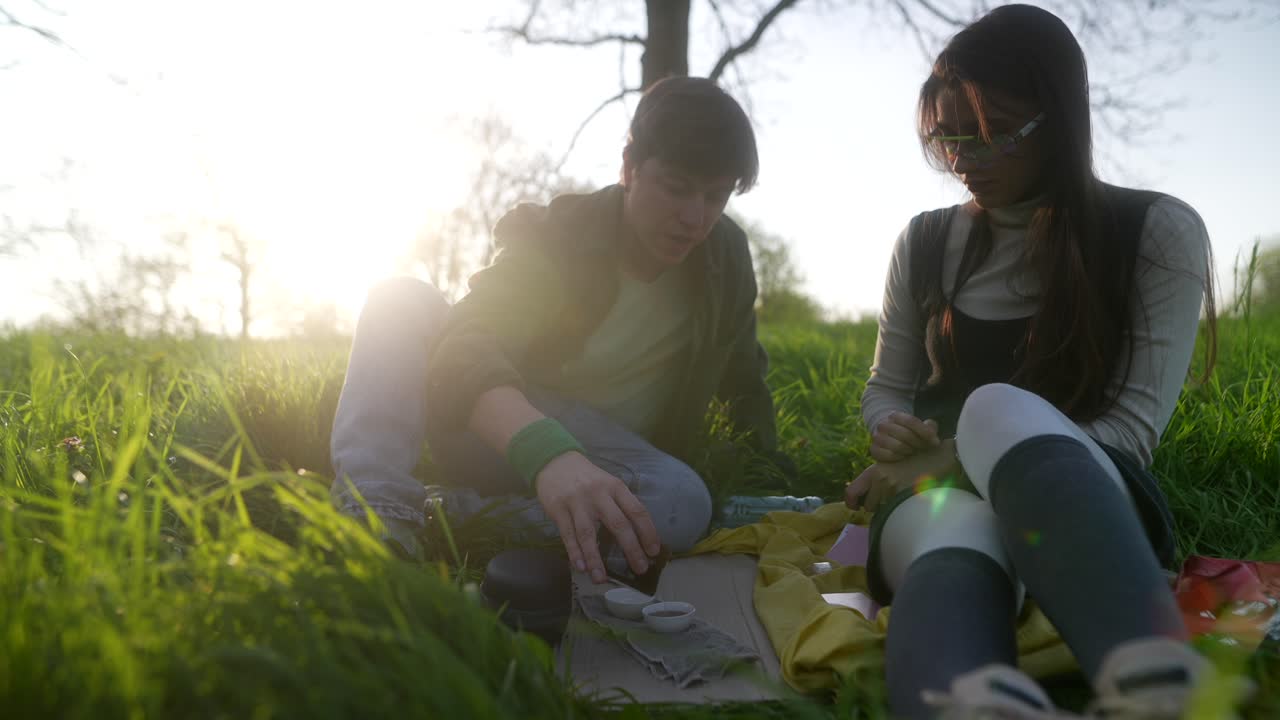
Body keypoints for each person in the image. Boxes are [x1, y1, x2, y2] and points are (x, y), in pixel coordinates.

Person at [843, 5, 1241, 718]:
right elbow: (886, 387)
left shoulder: (1153, 231)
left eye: (989, 136)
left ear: (1056, 120)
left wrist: (947, 457)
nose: (963, 162)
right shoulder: (925, 243)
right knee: (953, 526)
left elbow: (1132, 428)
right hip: (934, 497)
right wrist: (893, 429)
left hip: (1084, 494)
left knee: (993, 410)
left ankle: (1160, 690)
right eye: (945, 140)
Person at [330, 76, 791, 585]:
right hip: (496, 426)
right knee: (401, 297)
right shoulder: (556, 235)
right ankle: (378, 515)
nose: (693, 218)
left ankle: (447, 516)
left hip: (613, 459)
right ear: (629, 168)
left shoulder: (726, 258)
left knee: (680, 505)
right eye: (677, 188)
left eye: (715, 197)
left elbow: (745, 384)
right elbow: (466, 346)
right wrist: (550, 455)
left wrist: (781, 482)